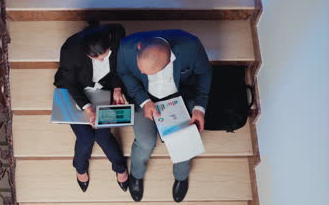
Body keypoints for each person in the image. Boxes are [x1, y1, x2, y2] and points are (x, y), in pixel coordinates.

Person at [117, 29, 212, 202]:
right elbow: (124, 73)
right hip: (144, 97)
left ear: (170, 62)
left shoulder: (192, 46)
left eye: (150, 73)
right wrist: (144, 101)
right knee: (144, 142)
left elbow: (204, 73)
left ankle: (181, 176)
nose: (144, 74)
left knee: (183, 140)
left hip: (180, 97)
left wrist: (199, 108)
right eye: (142, 70)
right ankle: (136, 175)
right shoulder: (126, 47)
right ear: (138, 47)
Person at [53, 23, 129, 193]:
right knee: (85, 138)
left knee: (103, 136)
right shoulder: (69, 50)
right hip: (77, 91)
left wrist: (117, 87)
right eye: (96, 58)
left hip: (105, 88)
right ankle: (80, 168)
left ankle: (120, 167)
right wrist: (88, 109)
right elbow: (70, 83)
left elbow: (120, 64)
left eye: (104, 55)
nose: (102, 60)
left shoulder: (117, 34)